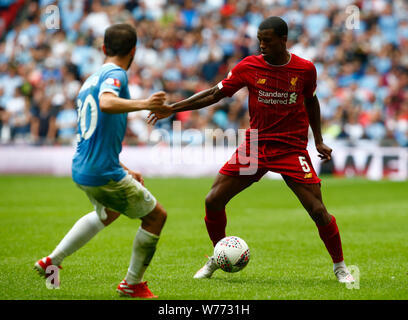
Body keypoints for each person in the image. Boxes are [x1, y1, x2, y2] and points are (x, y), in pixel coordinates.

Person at [148, 16, 354, 283]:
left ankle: (340, 267)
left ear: (283, 40)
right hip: (255, 145)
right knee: (213, 200)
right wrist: (173, 108)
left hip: (291, 148)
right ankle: (218, 255)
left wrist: (318, 140)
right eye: (259, 40)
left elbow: (311, 101)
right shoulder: (248, 66)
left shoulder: (305, 69)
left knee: (317, 210)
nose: (261, 45)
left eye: (267, 41)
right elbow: (214, 93)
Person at [34, 23, 171, 298]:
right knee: (156, 217)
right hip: (100, 170)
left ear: (103, 48)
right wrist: (147, 103)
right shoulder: (115, 74)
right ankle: (132, 284)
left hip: (84, 166)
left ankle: (52, 261)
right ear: (134, 51)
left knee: (108, 213)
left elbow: (93, 132)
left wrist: (124, 169)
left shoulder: (90, 79)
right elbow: (107, 102)